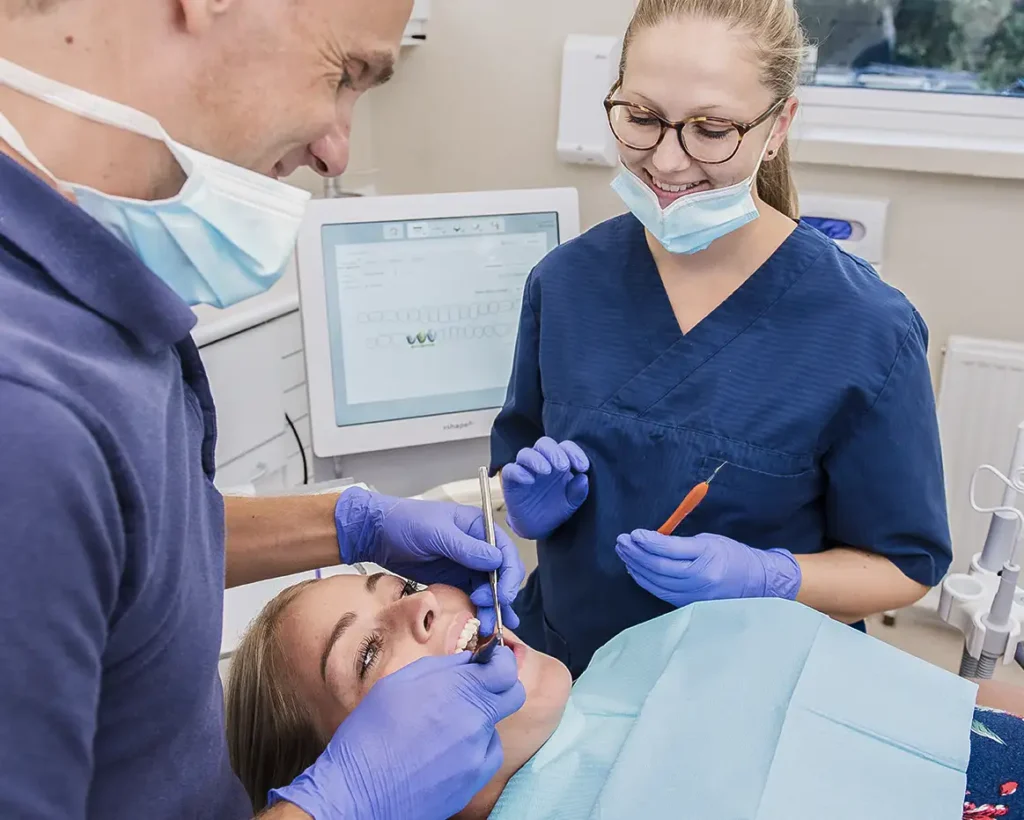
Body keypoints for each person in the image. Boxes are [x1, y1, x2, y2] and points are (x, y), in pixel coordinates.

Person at [0, 2, 526, 819]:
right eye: (345, 72)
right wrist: (338, 806)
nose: (336, 150)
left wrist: (352, 523)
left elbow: (119, 541)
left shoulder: (88, 294)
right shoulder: (27, 408)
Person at [491, 0, 953, 678]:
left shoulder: (867, 329)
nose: (667, 160)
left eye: (711, 130)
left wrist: (771, 576)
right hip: (567, 670)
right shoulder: (564, 283)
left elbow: (905, 566)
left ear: (778, 126)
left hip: (746, 691)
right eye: (641, 117)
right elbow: (518, 467)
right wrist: (529, 511)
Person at [225, 572, 1024, 818]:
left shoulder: (657, 645)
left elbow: (968, 708)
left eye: (397, 585)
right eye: (367, 652)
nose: (423, 602)